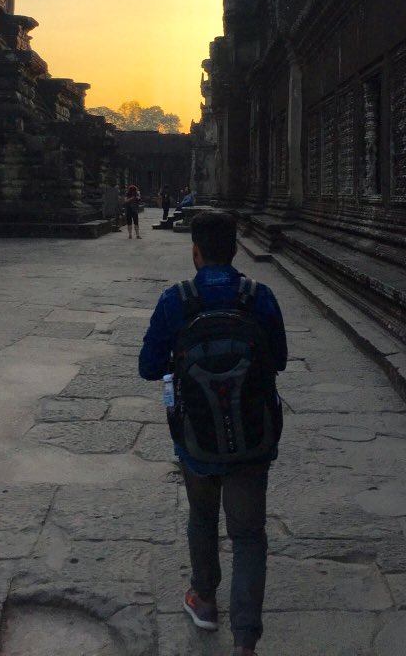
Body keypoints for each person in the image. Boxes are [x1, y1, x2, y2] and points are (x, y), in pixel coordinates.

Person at [138, 211, 287, 656]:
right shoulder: (259, 297)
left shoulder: (175, 300)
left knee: (202, 517)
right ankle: (245, 642)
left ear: (195, 253)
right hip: (251, 438)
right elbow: (277, 360)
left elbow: (148, 367)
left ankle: (204, 601)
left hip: (197, 439)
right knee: (248, 535)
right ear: (236, 250)